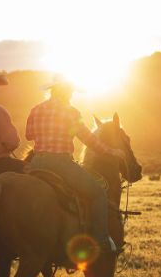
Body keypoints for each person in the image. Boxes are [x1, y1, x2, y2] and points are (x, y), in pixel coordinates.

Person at [25, 73, 126, 254]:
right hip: (60, 163)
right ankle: (102, 241)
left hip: (36, 163)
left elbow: (29, 136)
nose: (71, 95)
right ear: (64, 90)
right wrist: (111, 151)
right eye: (70, 90)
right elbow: (88, 139)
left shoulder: (36, 109)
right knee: (98, 194)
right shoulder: (70, 111)